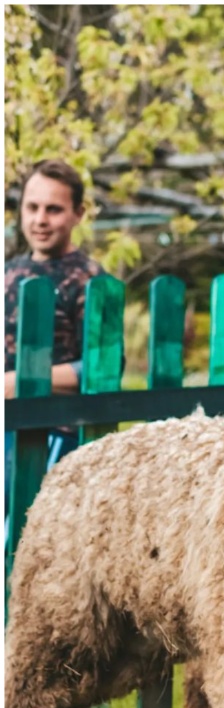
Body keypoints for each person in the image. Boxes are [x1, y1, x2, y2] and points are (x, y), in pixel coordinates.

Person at [5, 160, 104, 510]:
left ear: (78, 213)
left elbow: (102, 367)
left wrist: (19, 381)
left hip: (58, 436)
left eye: (54, 209)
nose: (40, 220)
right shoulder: (9, 271)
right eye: (32, 207)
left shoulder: (90, 280)